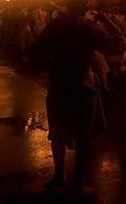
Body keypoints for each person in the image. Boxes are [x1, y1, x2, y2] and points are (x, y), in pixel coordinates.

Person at [35, 10, 106, 194]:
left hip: (60, 84)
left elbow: (35, 51)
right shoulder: (86, 28)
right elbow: (107, 44)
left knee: (59, 133)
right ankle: (78, 183)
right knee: (83, 136)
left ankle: (60, 176)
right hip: (82, 86)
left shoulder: (56, 25)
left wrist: (52, 66)